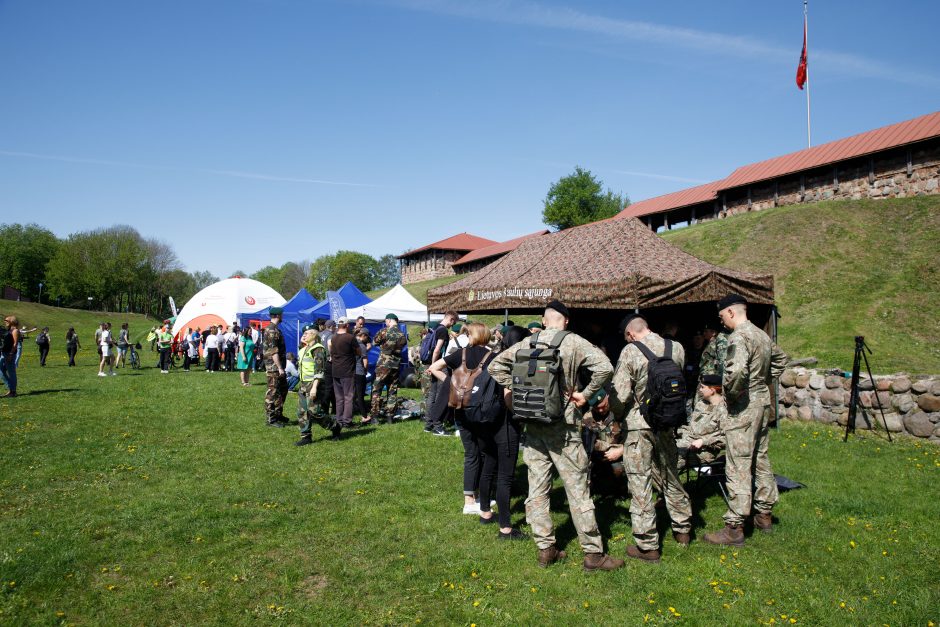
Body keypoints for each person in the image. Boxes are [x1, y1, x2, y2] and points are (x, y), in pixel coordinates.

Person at [488, 300, 623, 572]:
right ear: (567, 321)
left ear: (544, 318)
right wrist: (584, 395)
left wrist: (519, 392)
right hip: (565, 428)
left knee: (537, 490)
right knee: (578, 490)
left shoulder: (527, 342)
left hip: (533, 425)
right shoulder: (574, 342)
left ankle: (545, 549)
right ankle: (593, 555)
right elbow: (605, 368)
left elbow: (494, 367)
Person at [703, 295, 789, 546]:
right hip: (762, 403)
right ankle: (764, 513)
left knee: (738, 462)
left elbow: (737, 372)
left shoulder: (739, 337)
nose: (722, 323)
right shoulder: (761, 335)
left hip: (744, 407)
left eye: (721, 317)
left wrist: (733, 392)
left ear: (730, 312)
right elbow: (781, 360)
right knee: (760, 458)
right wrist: (762, 381)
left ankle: (735, 526)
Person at [606, 314, 693, 563]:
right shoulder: (675, 347)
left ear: (630, 335)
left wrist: (618, 417)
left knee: (640, 483)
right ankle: (683, 529)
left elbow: (620, 394)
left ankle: (647, 545)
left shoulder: (631, 351)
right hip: (668, 421)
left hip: (638, 426)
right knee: (670, 474)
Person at [294, 325, 338, 445]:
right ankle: (306, 436)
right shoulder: (303, 349)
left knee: (314, 410)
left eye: (307, 333)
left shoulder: (318, 349)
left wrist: (314, 387)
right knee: (302, 411)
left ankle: (335, 426)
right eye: (304, 333)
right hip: (303, 384)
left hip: (314, 384)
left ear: (313, 334)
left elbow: (319, 371)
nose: (304, 335)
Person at [676, 374, 727, 471]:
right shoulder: (701, 404)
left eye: (703, 387)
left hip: (703, 451)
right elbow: (693, 428)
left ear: (712, 390)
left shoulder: (724, 410)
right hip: (686, 442)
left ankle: (670, 485)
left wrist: (703, 441)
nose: (700, 390)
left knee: (667, 459)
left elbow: (726, 437)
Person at [365, 314, 406, 426]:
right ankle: (390, 416)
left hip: (383, 365)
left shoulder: (384, 331)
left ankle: (375, 416)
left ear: (389, 320)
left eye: (386, 321)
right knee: (392, 390)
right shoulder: (402, 335)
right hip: (395, 365)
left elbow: (374, 342)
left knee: (377, 389)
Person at [424, 311, 457, 433]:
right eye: (454, 323)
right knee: (440, 395)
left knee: (432, 394)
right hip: (438, 365)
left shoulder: (436, 328)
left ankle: (428, 424)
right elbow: (437, 350)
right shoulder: (443, 330)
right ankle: (437, 424)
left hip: (432, 364)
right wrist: (434, 366)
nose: (452, 326)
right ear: (451, 319)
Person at [329, 317, 361, 433]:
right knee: (348, 396)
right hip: (347, 371)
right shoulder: (350, 337)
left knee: (339, 398)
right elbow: (359, 352)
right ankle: (347, 421)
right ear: (347, 325)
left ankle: (339, 419)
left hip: (335, 370)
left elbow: (331, 352)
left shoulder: (333, 338)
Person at [262, 307, 289, 427]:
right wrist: (279, 367)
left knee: (283, 389)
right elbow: (274, 351)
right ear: (278, 315)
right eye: (282, 314)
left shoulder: (274, 329)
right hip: (273, 367)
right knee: (272, 392)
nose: (283, 316)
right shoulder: (272, 330)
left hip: (277, 366)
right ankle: (271, 419)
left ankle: (278, 414)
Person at [318, 320, 337, 418]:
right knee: (330, 386)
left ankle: (327, 408)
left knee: (324, 386)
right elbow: (330, 344)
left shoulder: (320, 334)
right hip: (328, 362)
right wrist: (332, 355)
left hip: (320, 361)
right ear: (332, 326)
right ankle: (326, 410)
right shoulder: (331, 334)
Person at [1, 316, 20, 397]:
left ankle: (13, 391)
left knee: (11, 372)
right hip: (4, 353)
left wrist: (11, 354)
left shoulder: (15, 330)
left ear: (11, 321)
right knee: (1, 370)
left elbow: (15, 344)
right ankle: (10, 388)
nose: (5, 322)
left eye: (6, 320)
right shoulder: (8, 330)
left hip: (10, 354)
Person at [353, 330, 370, 418]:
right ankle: (365, 416)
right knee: (360, 396)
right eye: (367, 337)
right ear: (363, 335)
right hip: (359, 372)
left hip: (351, 372)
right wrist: (365, 370)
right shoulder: (362, 346)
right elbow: (365, 362)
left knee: (353, 394)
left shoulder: (351, 343)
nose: (367, 339)